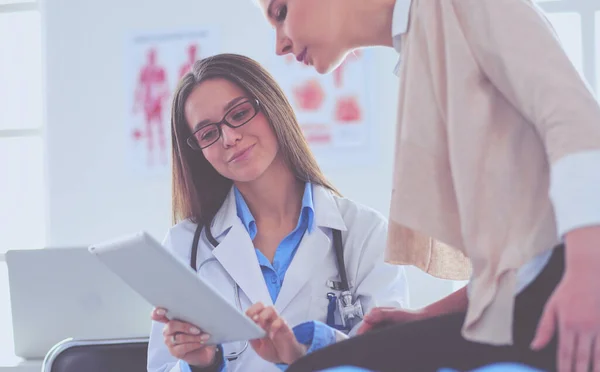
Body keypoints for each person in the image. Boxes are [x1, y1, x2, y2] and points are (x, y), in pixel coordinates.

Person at [253, 0, 600, 371]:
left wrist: (588, 274)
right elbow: (515, 259)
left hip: (564, 289)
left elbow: (577, 123)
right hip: (526, 299)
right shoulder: (424, 48)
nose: (280, 45)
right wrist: (427, 317)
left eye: (281, 11)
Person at [145, 53, 409, 372]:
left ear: (271, 106)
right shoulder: (184, 246)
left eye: (239, 113)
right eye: (208, 134)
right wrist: (203, 365)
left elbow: (392, 361)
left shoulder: (364, 234)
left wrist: (303, 354)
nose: (229, 138)